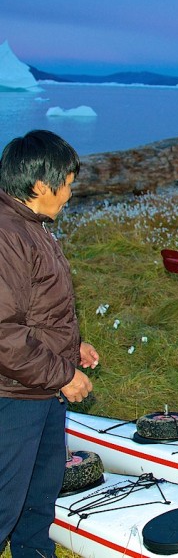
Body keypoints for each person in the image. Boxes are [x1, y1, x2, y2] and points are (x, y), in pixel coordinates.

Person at [0, 130, 99, 558]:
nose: (71, 192)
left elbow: (36, 309)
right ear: (40, 185)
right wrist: (63, 374)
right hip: (14, 396)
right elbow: (3, 332)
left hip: (40, 389)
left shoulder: (33, 225)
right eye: (68, 182)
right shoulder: (8, 237)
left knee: (38, 496)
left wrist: (72, 346)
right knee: (5, 501)